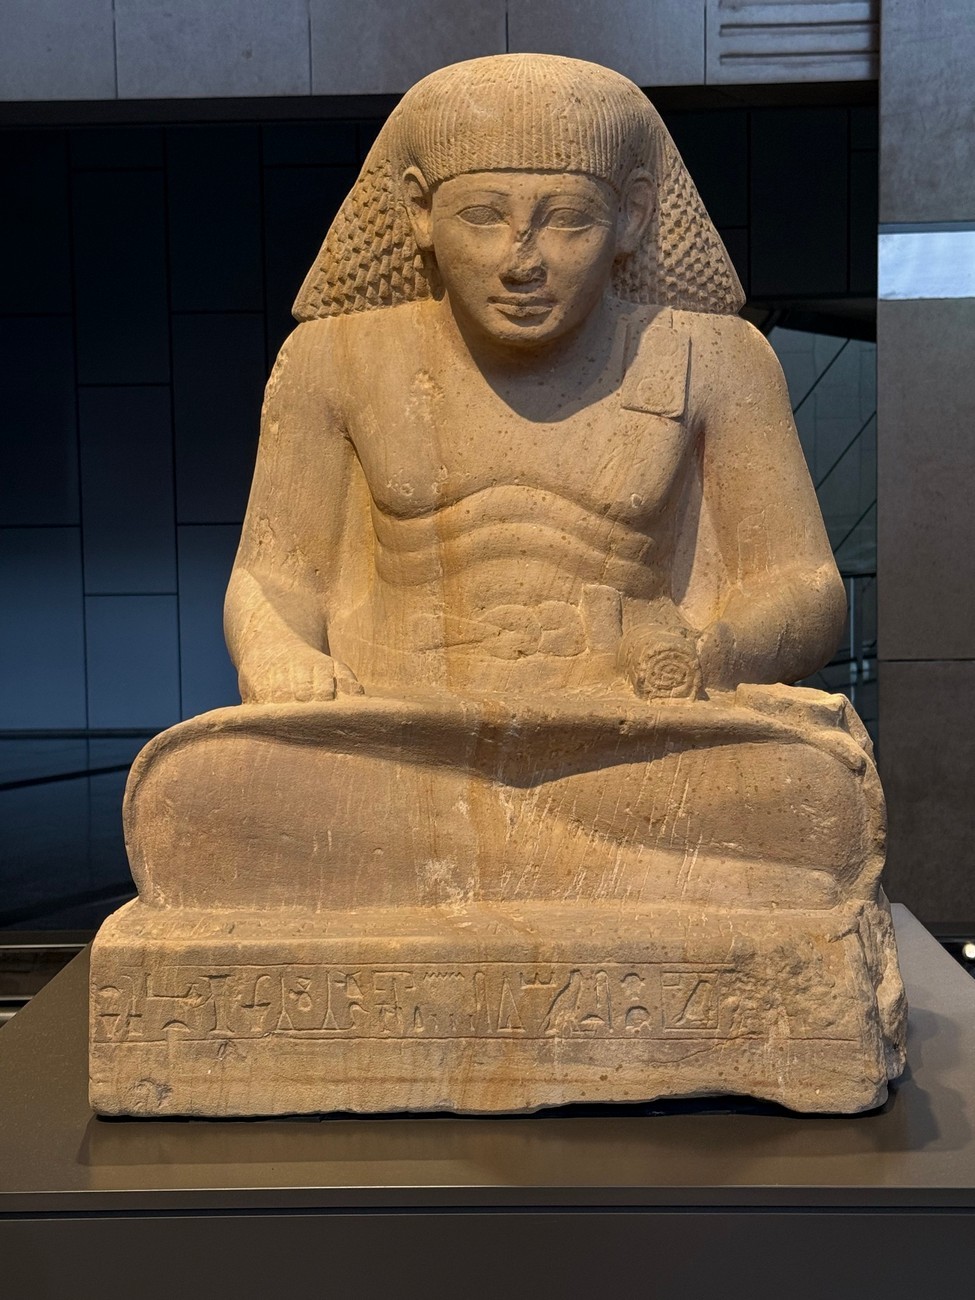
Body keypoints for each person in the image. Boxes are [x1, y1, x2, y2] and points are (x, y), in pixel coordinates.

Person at [97, 54, 903, 1116]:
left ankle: (501, 880)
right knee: (197, 793)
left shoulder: (711, 355)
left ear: (632, 218)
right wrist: (280, 655)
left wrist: (713, 651)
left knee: (806, 796)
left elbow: (801, 584)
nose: (522, 260)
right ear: (419, 215)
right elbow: (271, 578)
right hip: (401, 739)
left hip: (623, 746)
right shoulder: (335, 360)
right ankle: (554, 882)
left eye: (565, 220)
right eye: (484, 217)